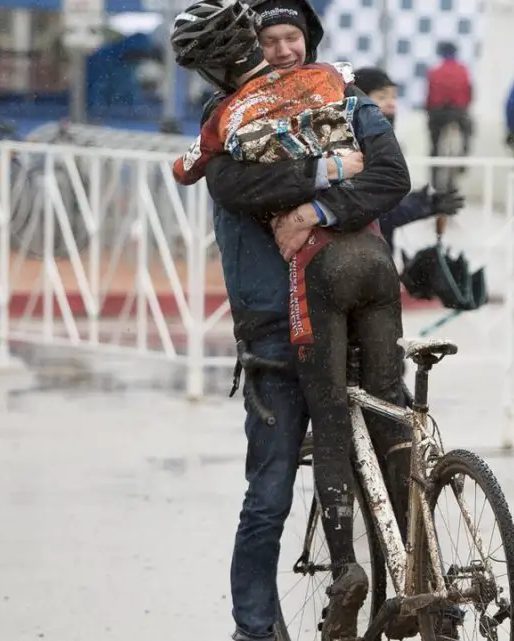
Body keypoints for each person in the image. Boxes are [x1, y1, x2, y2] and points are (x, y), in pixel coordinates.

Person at [168, 2, 414, 640]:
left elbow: (391, 175)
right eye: (265, 40)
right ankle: (262, 627)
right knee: (284, 489)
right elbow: (236, 190)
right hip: (290, 321)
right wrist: (331, 170)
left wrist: (315, 213)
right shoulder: (228, 119)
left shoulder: (339, 93)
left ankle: (399, 593)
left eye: (289, 38)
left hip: (322, 316)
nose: (277, 53)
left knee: (334, 476)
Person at [353, 66, 466, 249]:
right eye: (382, 97)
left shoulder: (383, 143)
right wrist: (425, 205)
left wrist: (426, 202)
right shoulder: (354, 150)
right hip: (362, 255)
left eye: (394, 97)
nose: (392, 104)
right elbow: (369, 211)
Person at [425, 40, 474, 189]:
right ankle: (462, 161)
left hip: (439, 112)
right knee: (468, 132)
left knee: (434, 142)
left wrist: (428, 111)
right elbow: (469, 92)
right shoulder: (463, 70)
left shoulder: (435, 71)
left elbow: (429, 96)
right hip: (458, 112)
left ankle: (434, 176)